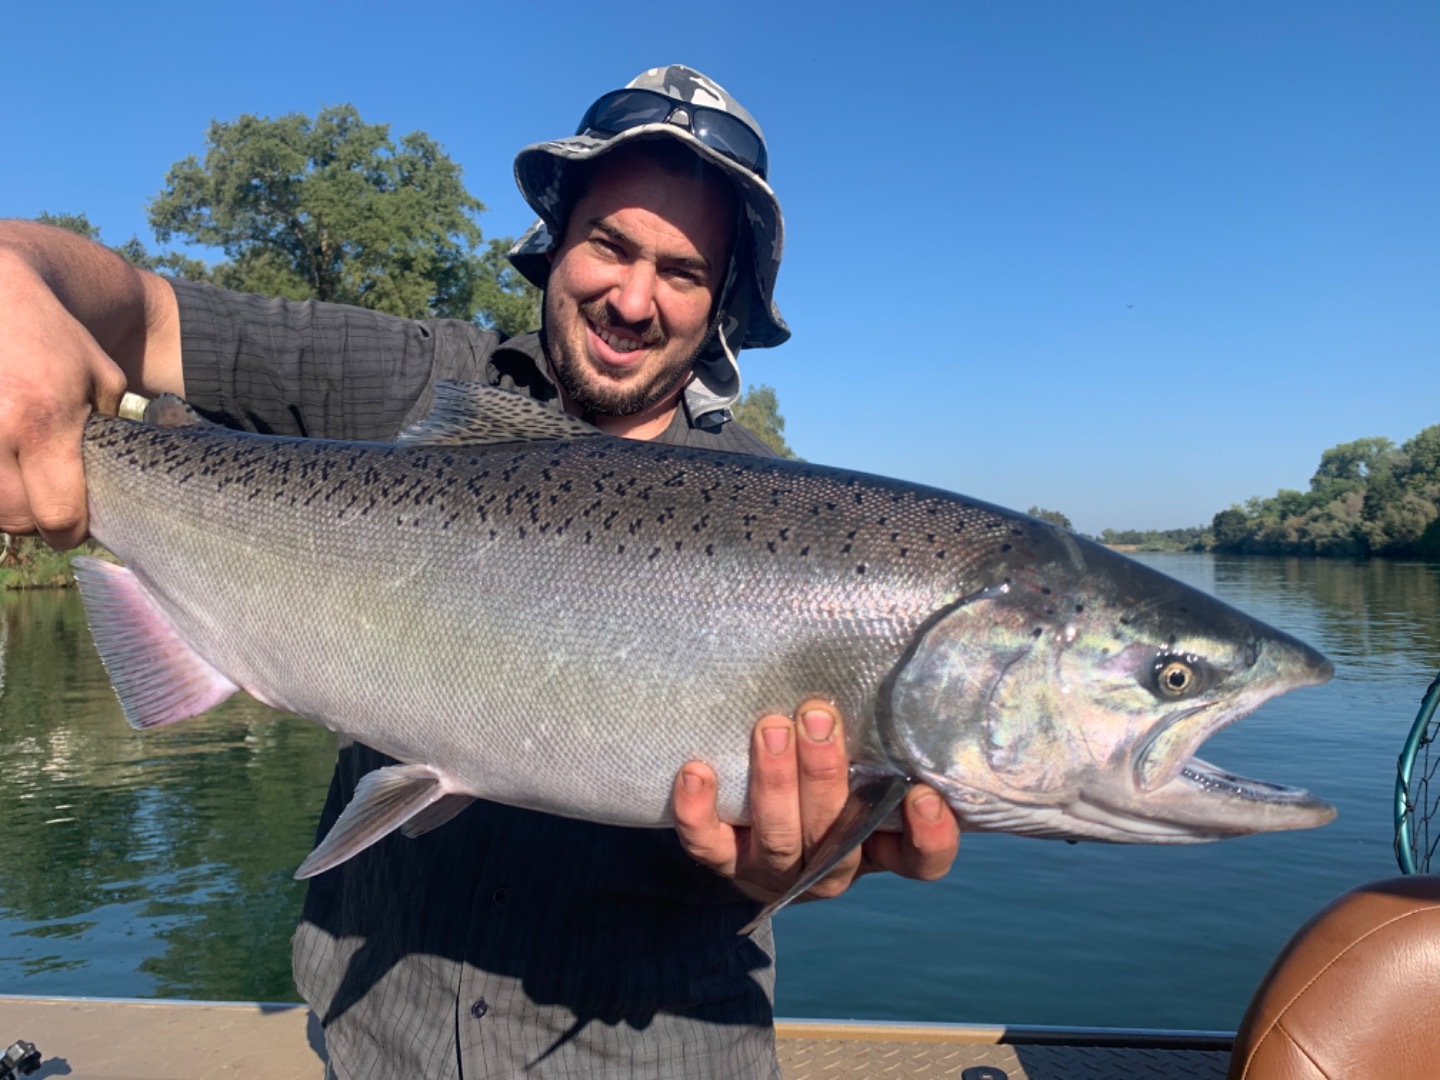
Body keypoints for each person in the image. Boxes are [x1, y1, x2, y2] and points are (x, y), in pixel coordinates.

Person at [0, 65, 959, 1079]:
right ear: (555, 244)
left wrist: (805, 863)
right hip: (374, 1040)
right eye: (610, 244)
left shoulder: (790, 522)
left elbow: (810, 854)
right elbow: (136, 312)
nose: (632, 297)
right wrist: (17, 289)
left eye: (681, 271)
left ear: (723, 301)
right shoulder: (412, 380)